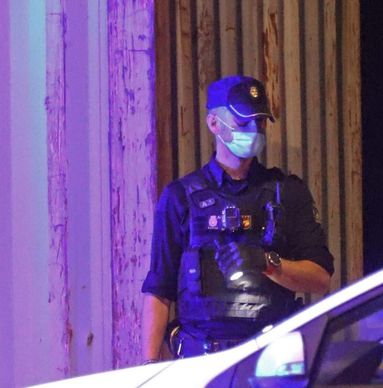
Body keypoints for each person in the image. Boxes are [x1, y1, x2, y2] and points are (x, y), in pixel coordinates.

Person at [140, 75, 335, 359]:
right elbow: (159, 291)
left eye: (260, 122)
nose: (254, 130)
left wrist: (268, 264)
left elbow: (320, 279)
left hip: (270, 361)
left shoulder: (287, 192)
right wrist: (149, 365)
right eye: (243, 122)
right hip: (201, 364)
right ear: (213, 123)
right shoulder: (180, 197)